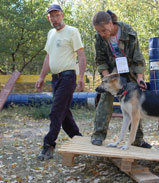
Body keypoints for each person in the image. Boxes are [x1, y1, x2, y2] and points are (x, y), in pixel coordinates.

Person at [91, 10, 151, 148]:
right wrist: (107, 78)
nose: (102, 34)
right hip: (112, 72)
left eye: (104, 30)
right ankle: (98, 135)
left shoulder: (127, 31)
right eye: (99, 31)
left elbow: (137, 57)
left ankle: (137, 139)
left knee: (134, 103)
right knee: (105, 98)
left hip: (129, 70)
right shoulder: (99, 38)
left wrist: (139, 78)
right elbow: (100, 60)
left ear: (111, 24)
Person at [35, 4, 87, 161]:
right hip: (55, 78)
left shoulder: (72, 31)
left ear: (62, 15)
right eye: (52, 16)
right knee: (63, 114)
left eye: (57, 15)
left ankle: (48, 145)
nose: (55, 19)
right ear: (48, 18)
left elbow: (81, 55)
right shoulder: (51, 33)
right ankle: (77, 138)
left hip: (68, 77)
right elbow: (48, 57)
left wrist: (81, 77)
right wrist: (42, 77)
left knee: (56, 111)